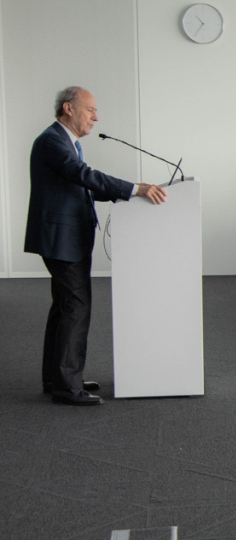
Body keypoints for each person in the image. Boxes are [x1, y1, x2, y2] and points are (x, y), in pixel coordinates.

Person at [25, 86, 168, 405]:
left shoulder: (65, 142)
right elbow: (81, 174)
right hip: (62, 239)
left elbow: (80, 188)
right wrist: (133, 188)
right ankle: (67, 386)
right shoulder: (53, 140)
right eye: (90, 109)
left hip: (66, 237)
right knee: (76, 306)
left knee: (64, 306)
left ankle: (57, 377)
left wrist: (130, 191)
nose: (96, 116)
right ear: (68, 108)